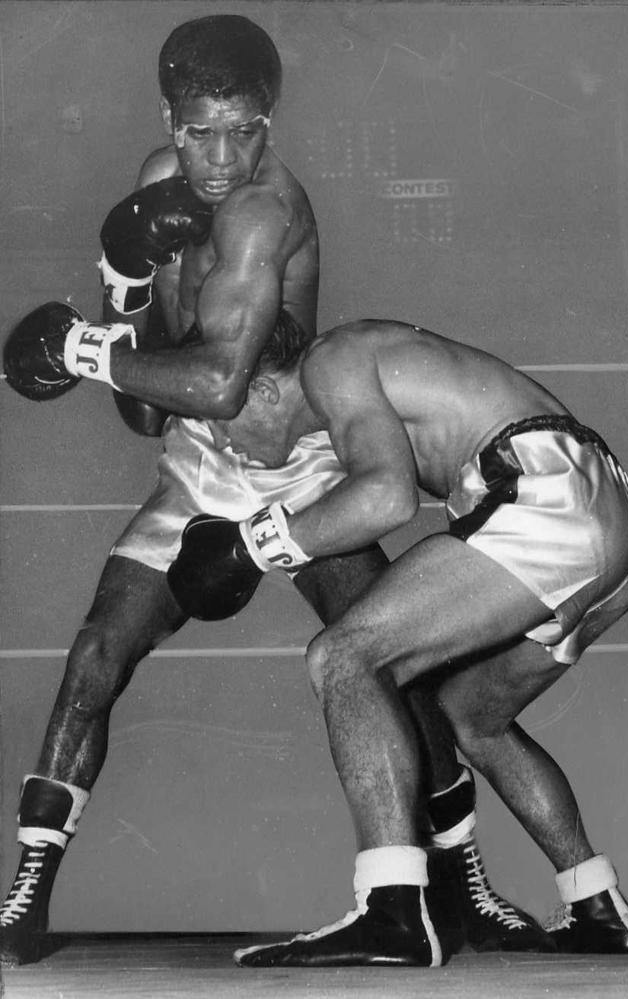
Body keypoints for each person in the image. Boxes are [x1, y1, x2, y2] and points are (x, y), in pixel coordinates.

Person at [0, 15, 546, 966]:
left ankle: (466, 887)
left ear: (271, 119)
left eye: (245, 129)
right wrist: (121, 280)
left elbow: (212, 381)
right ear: (169, 119)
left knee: (385, 666)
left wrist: (82, 348)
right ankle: (26, 892)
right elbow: (148, 414)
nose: (222, 157)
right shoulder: (154, 187)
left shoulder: (266, 213)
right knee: (95, 655)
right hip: (199, 462)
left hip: (300, 465)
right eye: (201, 131)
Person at [165, 317, 628, 966]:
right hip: (612, 518)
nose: (226, 442)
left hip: (543, 491)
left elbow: (388, 497)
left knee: (344, 655)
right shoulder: (364, 383)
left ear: (261, 390)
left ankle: (392, 908)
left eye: (219, 421)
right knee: (472, 716)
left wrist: (254, 543)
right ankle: (598, 905)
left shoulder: (331, 361)